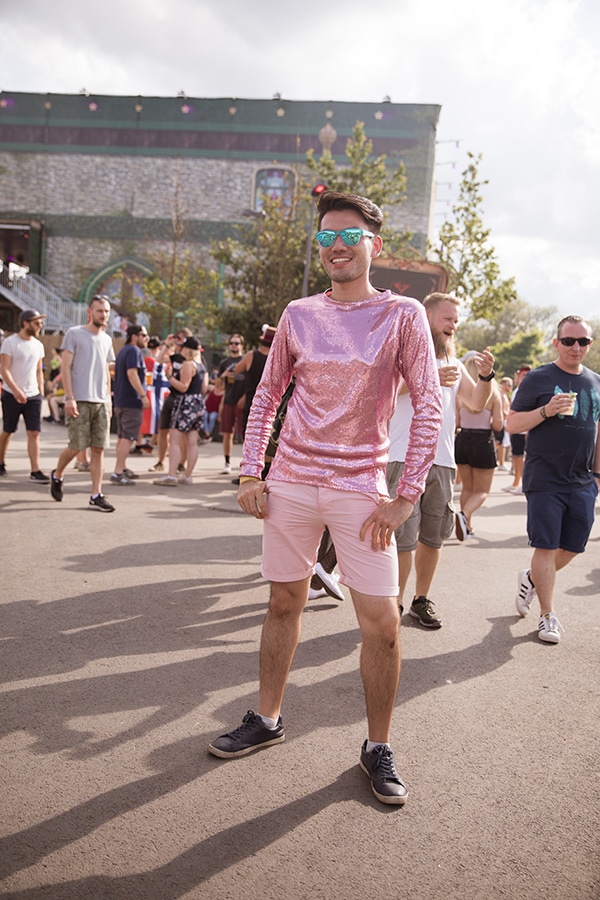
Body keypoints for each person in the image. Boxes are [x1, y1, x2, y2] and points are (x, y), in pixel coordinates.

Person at [208, 190, 444, 806]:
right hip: (288, 483)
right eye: (326, 238)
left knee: (384, 624)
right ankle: (266, 718)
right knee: (284, 601)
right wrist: (251, 473)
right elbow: (266, 395)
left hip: (362, 491)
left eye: (348, 236)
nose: (336, 246)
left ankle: (376, 746)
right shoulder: (297, 314)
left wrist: (405, 495)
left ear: (374, 244)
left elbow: (428, 405)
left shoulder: (403, 316)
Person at [385, 293, 495, 628]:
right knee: (404, 537)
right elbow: (387, 391)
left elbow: (476, 403)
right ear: (428, 317)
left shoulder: (454, 362)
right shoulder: (402, 350)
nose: (453, 326)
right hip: (403, 455)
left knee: (433, 536)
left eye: (456, 321)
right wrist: (430, 373)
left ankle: (420, 600)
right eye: (448, 319)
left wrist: (487, 378)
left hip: (443, 459)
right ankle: (395, 604)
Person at [507, 316, 600, 643]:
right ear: (556, 343)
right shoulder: (538, 378)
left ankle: (531, 578)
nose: (577, 347)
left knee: (574, 545)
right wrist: (545, 411)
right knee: (545, 545)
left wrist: (598, 476)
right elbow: (513, 424)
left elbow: (598, 431)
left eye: (583, 342)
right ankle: (548, 615)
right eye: (570, 341)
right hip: (545, 477)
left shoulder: (595, 381)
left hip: (583, 480)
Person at [49, 295, 116, 512]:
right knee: (77, 446)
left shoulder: (106, 340)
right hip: (79, 399)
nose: (103, 315)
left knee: (98, 449)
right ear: (90, 312)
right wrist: (69, 397)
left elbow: (106, 371)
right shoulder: (75, 334)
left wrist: (109, 400)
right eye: (99, 311)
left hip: (101, 401)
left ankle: (96, 495)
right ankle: (57, 474)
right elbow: (65, 368)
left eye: (106, 311)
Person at [454, 354, 504, 537]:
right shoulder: (494, 394)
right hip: (483, 441)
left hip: (463, 439)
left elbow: (456, 422)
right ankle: (464, 515)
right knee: (482, 490)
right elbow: (498, 424)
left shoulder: (460, 393)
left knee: (467, 488)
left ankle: (467, 525)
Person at [0, 308, 50, 482]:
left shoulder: (39, 345)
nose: (40, 325)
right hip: (11, 393)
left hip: (33, 395)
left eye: (41, 322)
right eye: (36, 322)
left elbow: (39, 372)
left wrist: (41, 396)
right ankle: (0, 462)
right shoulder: (10, 342)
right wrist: (15, 390)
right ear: (25, 323)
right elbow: (4, 369)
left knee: (34, 432)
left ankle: (35, 470)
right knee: (8, 430)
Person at [153, 337, 208, 486]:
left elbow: (183, 387)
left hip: (184, 403)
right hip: (198, 404)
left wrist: (169, 377)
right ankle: (188, 475)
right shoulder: (202, 365)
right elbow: (204, 389)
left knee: (175, 441)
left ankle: (171, 475)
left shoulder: (188, 364)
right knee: (192, 442)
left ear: (187, 349)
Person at [110, 324, 150, 485]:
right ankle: (118, 472)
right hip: (131, 401)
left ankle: (122, 467)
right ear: (135, 336)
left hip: (121, 400)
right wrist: (143, 395)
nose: (146, 338)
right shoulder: (134, 351)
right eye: (144, 335)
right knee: (128, 437)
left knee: (122, 436)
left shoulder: (123, 351)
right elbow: (132, 373)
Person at [149, 328, 192, 473]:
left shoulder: (191, 358)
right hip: (171, 396)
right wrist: (167, 344)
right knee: (163, 431)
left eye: (180, 338)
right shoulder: (176, 356)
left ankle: (181, 463)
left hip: (184, 399)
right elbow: (159, 360)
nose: (177, 341)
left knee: (182, 435)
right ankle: (160, 461)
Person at [234, 325, 277, 435]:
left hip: (252, 400)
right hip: (271, 402)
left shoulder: (251, 355)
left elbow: (237, 369)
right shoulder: (276, 359)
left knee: (248, 433)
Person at [215, 333, 245, 474]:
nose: (233, 345)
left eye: (236, 343)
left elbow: (253, 383)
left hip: (242, 403)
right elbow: (218, 386)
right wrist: (223, 376)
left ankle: (246, 464)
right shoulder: (224, 363)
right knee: (227, 434)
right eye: (232, 343)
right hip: (228, 401)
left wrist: (245, 397)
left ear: (241, 346)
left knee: (244, 435)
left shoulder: (245, 360)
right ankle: (227, 462)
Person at [503, 365, 531, 494]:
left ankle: (525, 484)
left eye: (526, 375)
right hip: (515, 429)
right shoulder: (517, 390)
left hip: (525, 429)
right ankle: (516, 482)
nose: (524, 377)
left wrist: (529, 429)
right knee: (516, 456)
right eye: (522, 375)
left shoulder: (531, 390)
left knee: (524, 458)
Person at [495, 376, 513, 471]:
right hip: (500, 421)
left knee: (502, 444)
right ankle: (499, 462)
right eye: (508, 385)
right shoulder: (500, 395)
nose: (509, 387)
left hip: (505, 421)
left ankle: (501, 463)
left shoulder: (505, 396)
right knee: (498, 443)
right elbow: (501, 410)